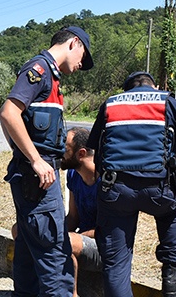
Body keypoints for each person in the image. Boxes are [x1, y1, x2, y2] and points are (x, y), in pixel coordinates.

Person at [87, 71, 176, 297]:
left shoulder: (110, 105)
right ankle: (170, 275)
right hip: (158, 189)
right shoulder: (170, 103)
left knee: (116, 264)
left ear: (127, 89)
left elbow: (95, 154)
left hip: (115, 190)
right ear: (155, 86)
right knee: (171, 209)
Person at [0, 25, 94, 296]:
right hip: (39, 180)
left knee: (29, 254)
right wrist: (34, 159)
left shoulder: (49, 77)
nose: (80, 65)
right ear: (74, 43)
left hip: (33, 179)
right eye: (82, 57)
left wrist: (23, 154)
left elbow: (7, 116)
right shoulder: (39, 71)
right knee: (55, 258)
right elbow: (8, 113)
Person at [62, 127, 102, 296]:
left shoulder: (105, 180)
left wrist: (73, 237)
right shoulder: (73, 174)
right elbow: (73, 217)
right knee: (23, 230)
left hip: (106, 248)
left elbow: (106, 229)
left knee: (67, 242)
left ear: (81, 153)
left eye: (65, 149)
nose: (59, 153)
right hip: (80, 240)